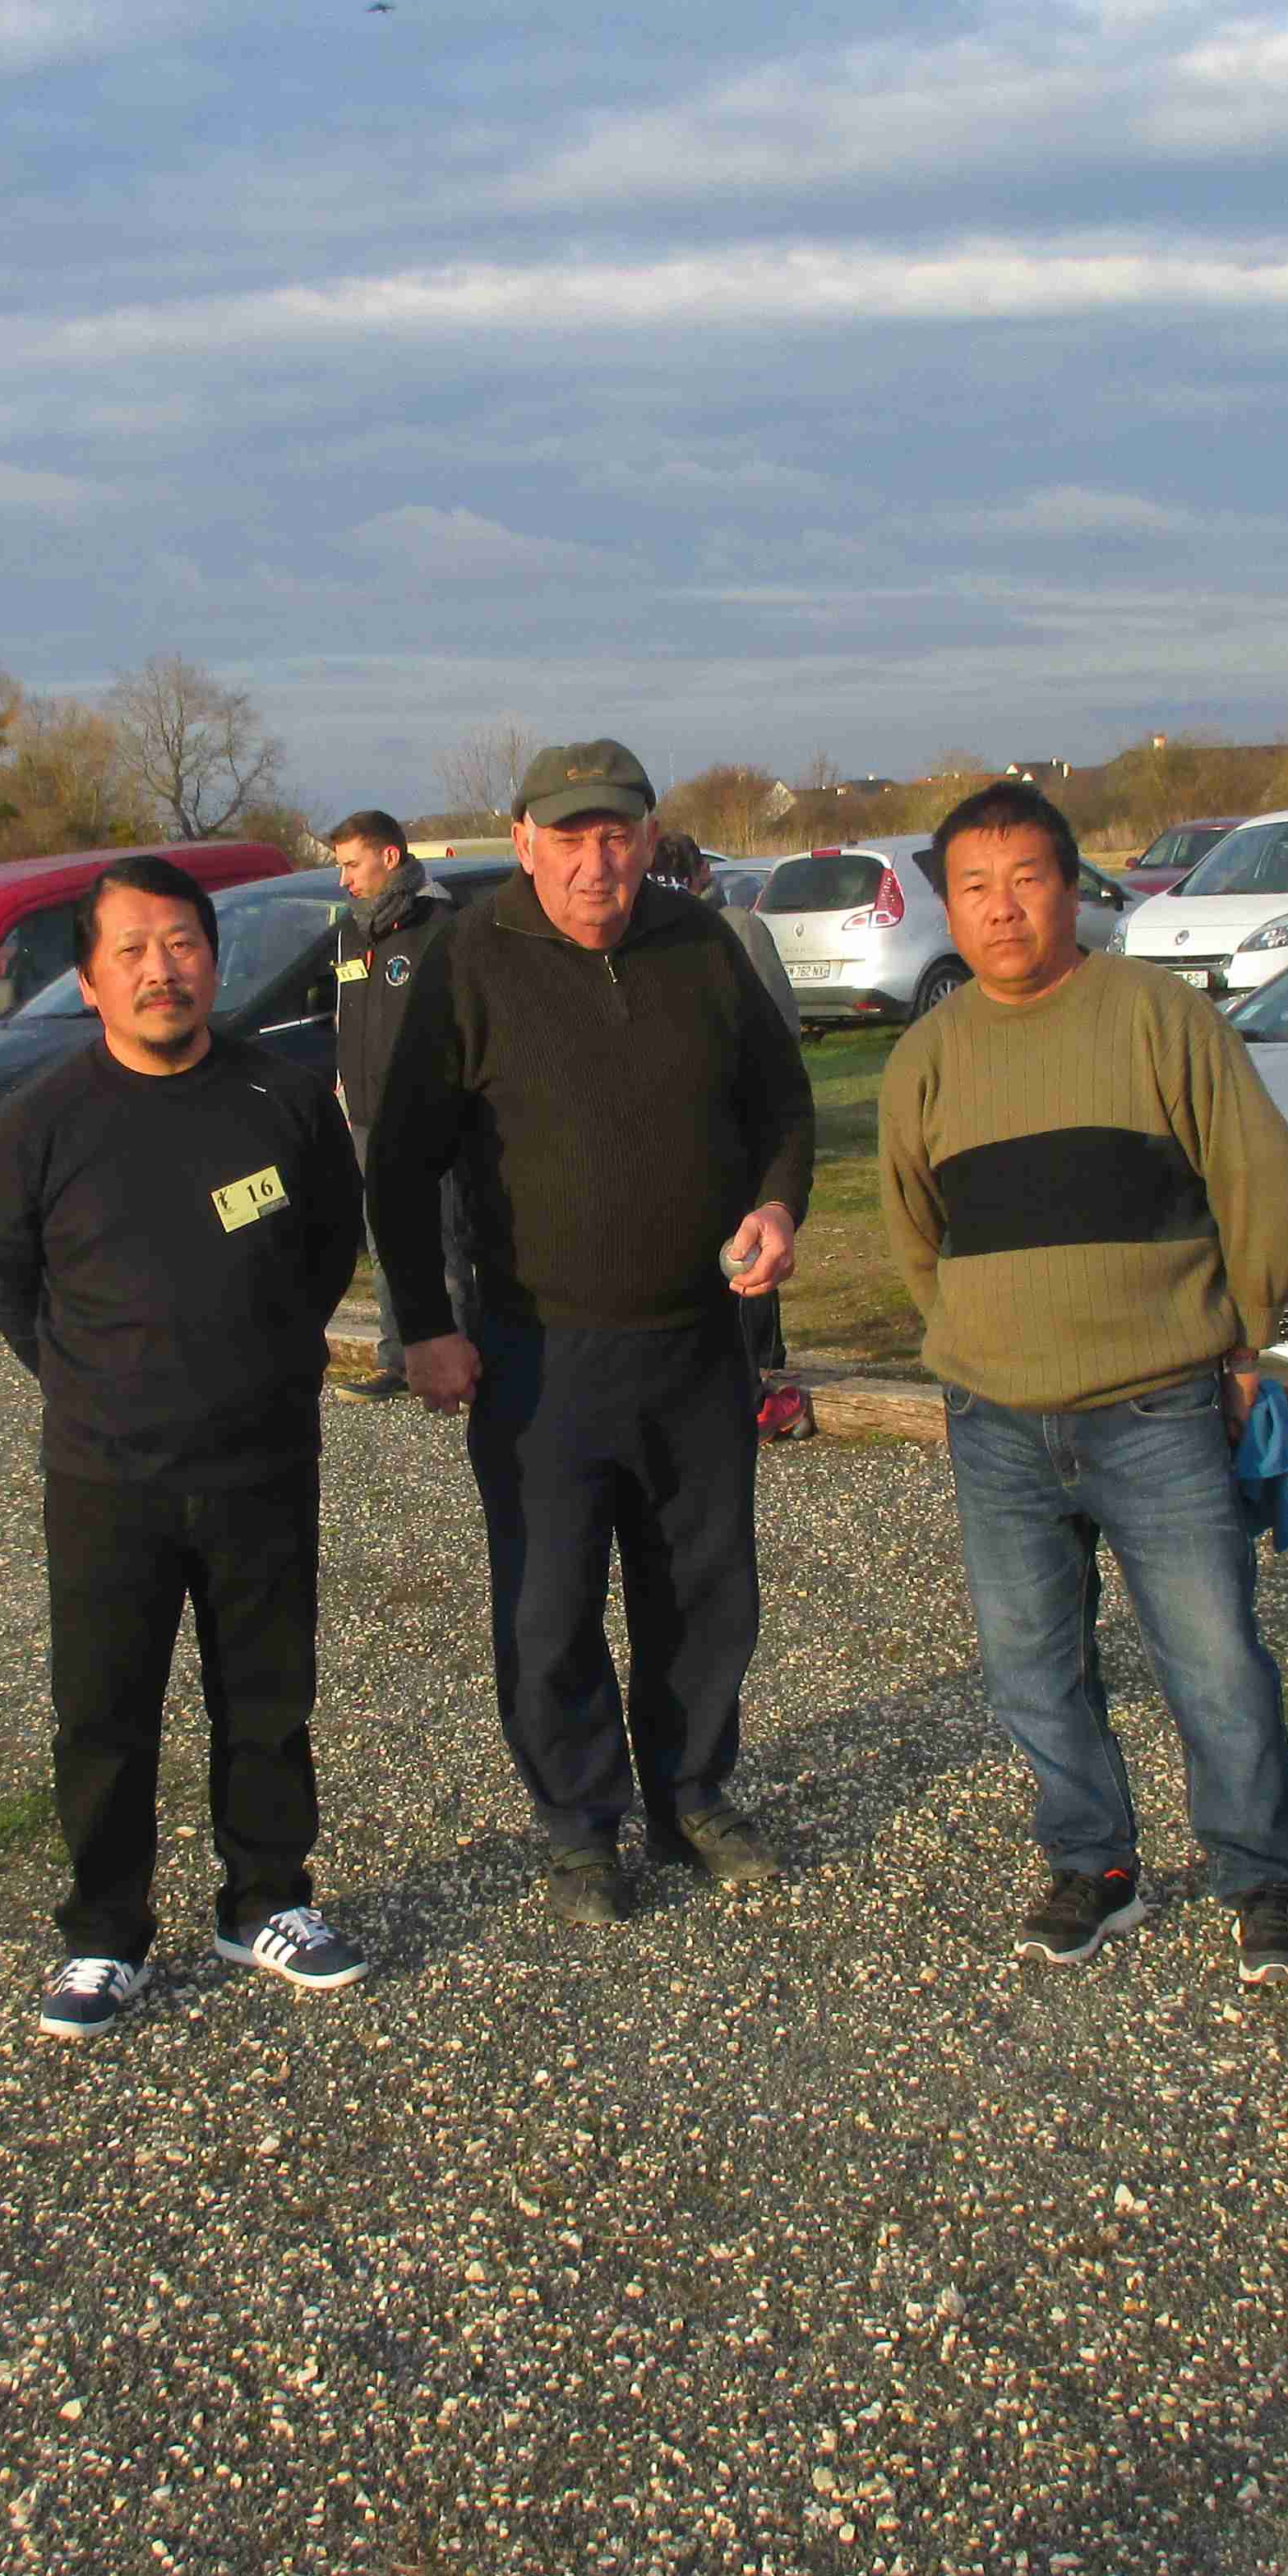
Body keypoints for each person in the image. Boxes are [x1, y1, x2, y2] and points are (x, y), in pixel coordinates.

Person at [879, 780, 1288, 1980]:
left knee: (1215, 1663)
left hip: (1158, 1406)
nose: (1002, 908)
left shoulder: (1157, 1017)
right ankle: (1094, 1865)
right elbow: (917, 1236)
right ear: (949, 907)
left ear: (1072, 889)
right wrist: (978, 1337)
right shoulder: (926, 1058)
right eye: (974, 887)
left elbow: (1260, 1178)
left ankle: (1262, 1879)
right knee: (1032, 1668)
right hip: (995, 1422)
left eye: (1026, 880)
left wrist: (1245, 1341)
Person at [370, 740, 816, 1923]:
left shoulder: (700, 944)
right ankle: (580, 1826)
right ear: (525, 843)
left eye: (616, 835)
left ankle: (691, 1795)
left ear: (648, 839)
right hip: (538, 1353)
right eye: (568, 838)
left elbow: (782, 1103)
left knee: (704, 1594)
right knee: (550, 1605)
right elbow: (400, 1164)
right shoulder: (470, 959)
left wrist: (778, 1205)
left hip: (696, 1344)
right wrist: (426, 1326)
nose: (594, 862)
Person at [0, 857, 372, 2038]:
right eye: (133, 951)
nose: (163, 970)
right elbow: (10, 1289)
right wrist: (100, 1389)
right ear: (90, 979)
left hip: (262, 1463)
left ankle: (265, 1901)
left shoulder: (282, 1100)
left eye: (183, 944)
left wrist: (254, 1364)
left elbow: (326, 1251)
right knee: (104, 1713)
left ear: (213, 958)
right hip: (107, 1477)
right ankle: (104, 1934)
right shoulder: (40, 1121)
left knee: (268, 1698)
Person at [649, 832, 813, 1437]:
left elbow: (778, 1037)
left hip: (740, 1123)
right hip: (683, 1133)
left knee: (746, 1250)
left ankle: (758, 1375)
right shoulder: (655, 938)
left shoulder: (735, 929)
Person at [323, 807, 464, 1405]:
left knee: (443, 1242)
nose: (345, 880)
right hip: (365, 1115)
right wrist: (341, 1085)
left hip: (429, 1117)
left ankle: (458, 1357)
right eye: (340, 867)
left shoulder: (440, 926)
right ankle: (397, 1360)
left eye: (353, 865)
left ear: (390, 856)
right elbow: (344, 1014)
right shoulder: (350, 933)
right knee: (383, 1241)